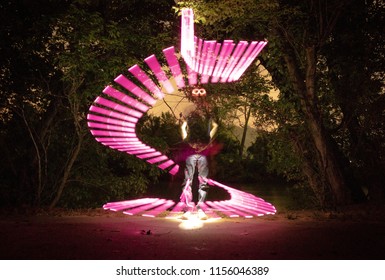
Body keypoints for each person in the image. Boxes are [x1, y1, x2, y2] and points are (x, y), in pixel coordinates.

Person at [179, 94, 218, 220]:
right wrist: (184, 125)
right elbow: (183, 131)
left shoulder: (204, 125)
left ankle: (199, 209)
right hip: (193, 152)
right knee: (188, 181)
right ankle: (188, 209)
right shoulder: (195, 123)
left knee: (201, 181)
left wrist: (212, 122)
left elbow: (215, 127)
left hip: (200, 152)